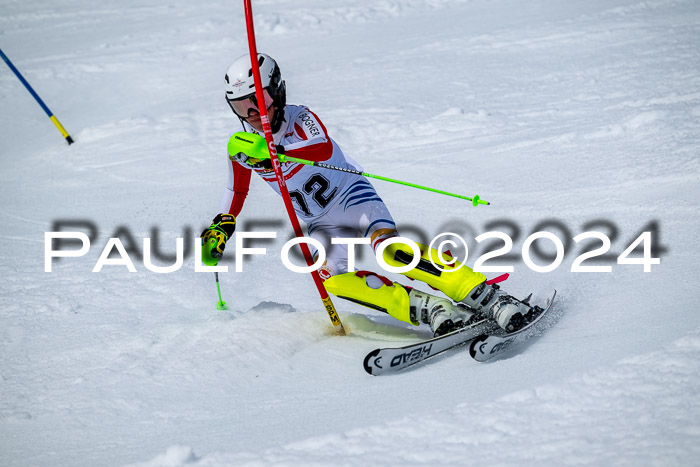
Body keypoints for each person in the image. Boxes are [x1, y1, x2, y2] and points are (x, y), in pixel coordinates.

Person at [201, 53, 535, 336]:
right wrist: (222, 225)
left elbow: (320, 147)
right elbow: (236, 189)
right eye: (241, 106)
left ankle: (484, 295)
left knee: (391, 251)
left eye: (259, 101)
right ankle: (428, 308)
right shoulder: (243, 148)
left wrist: (278, 151)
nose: (253, 115)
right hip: (320, 225)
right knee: (333, 282)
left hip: (353, 198)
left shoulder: (301, 118)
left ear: (278, 92)